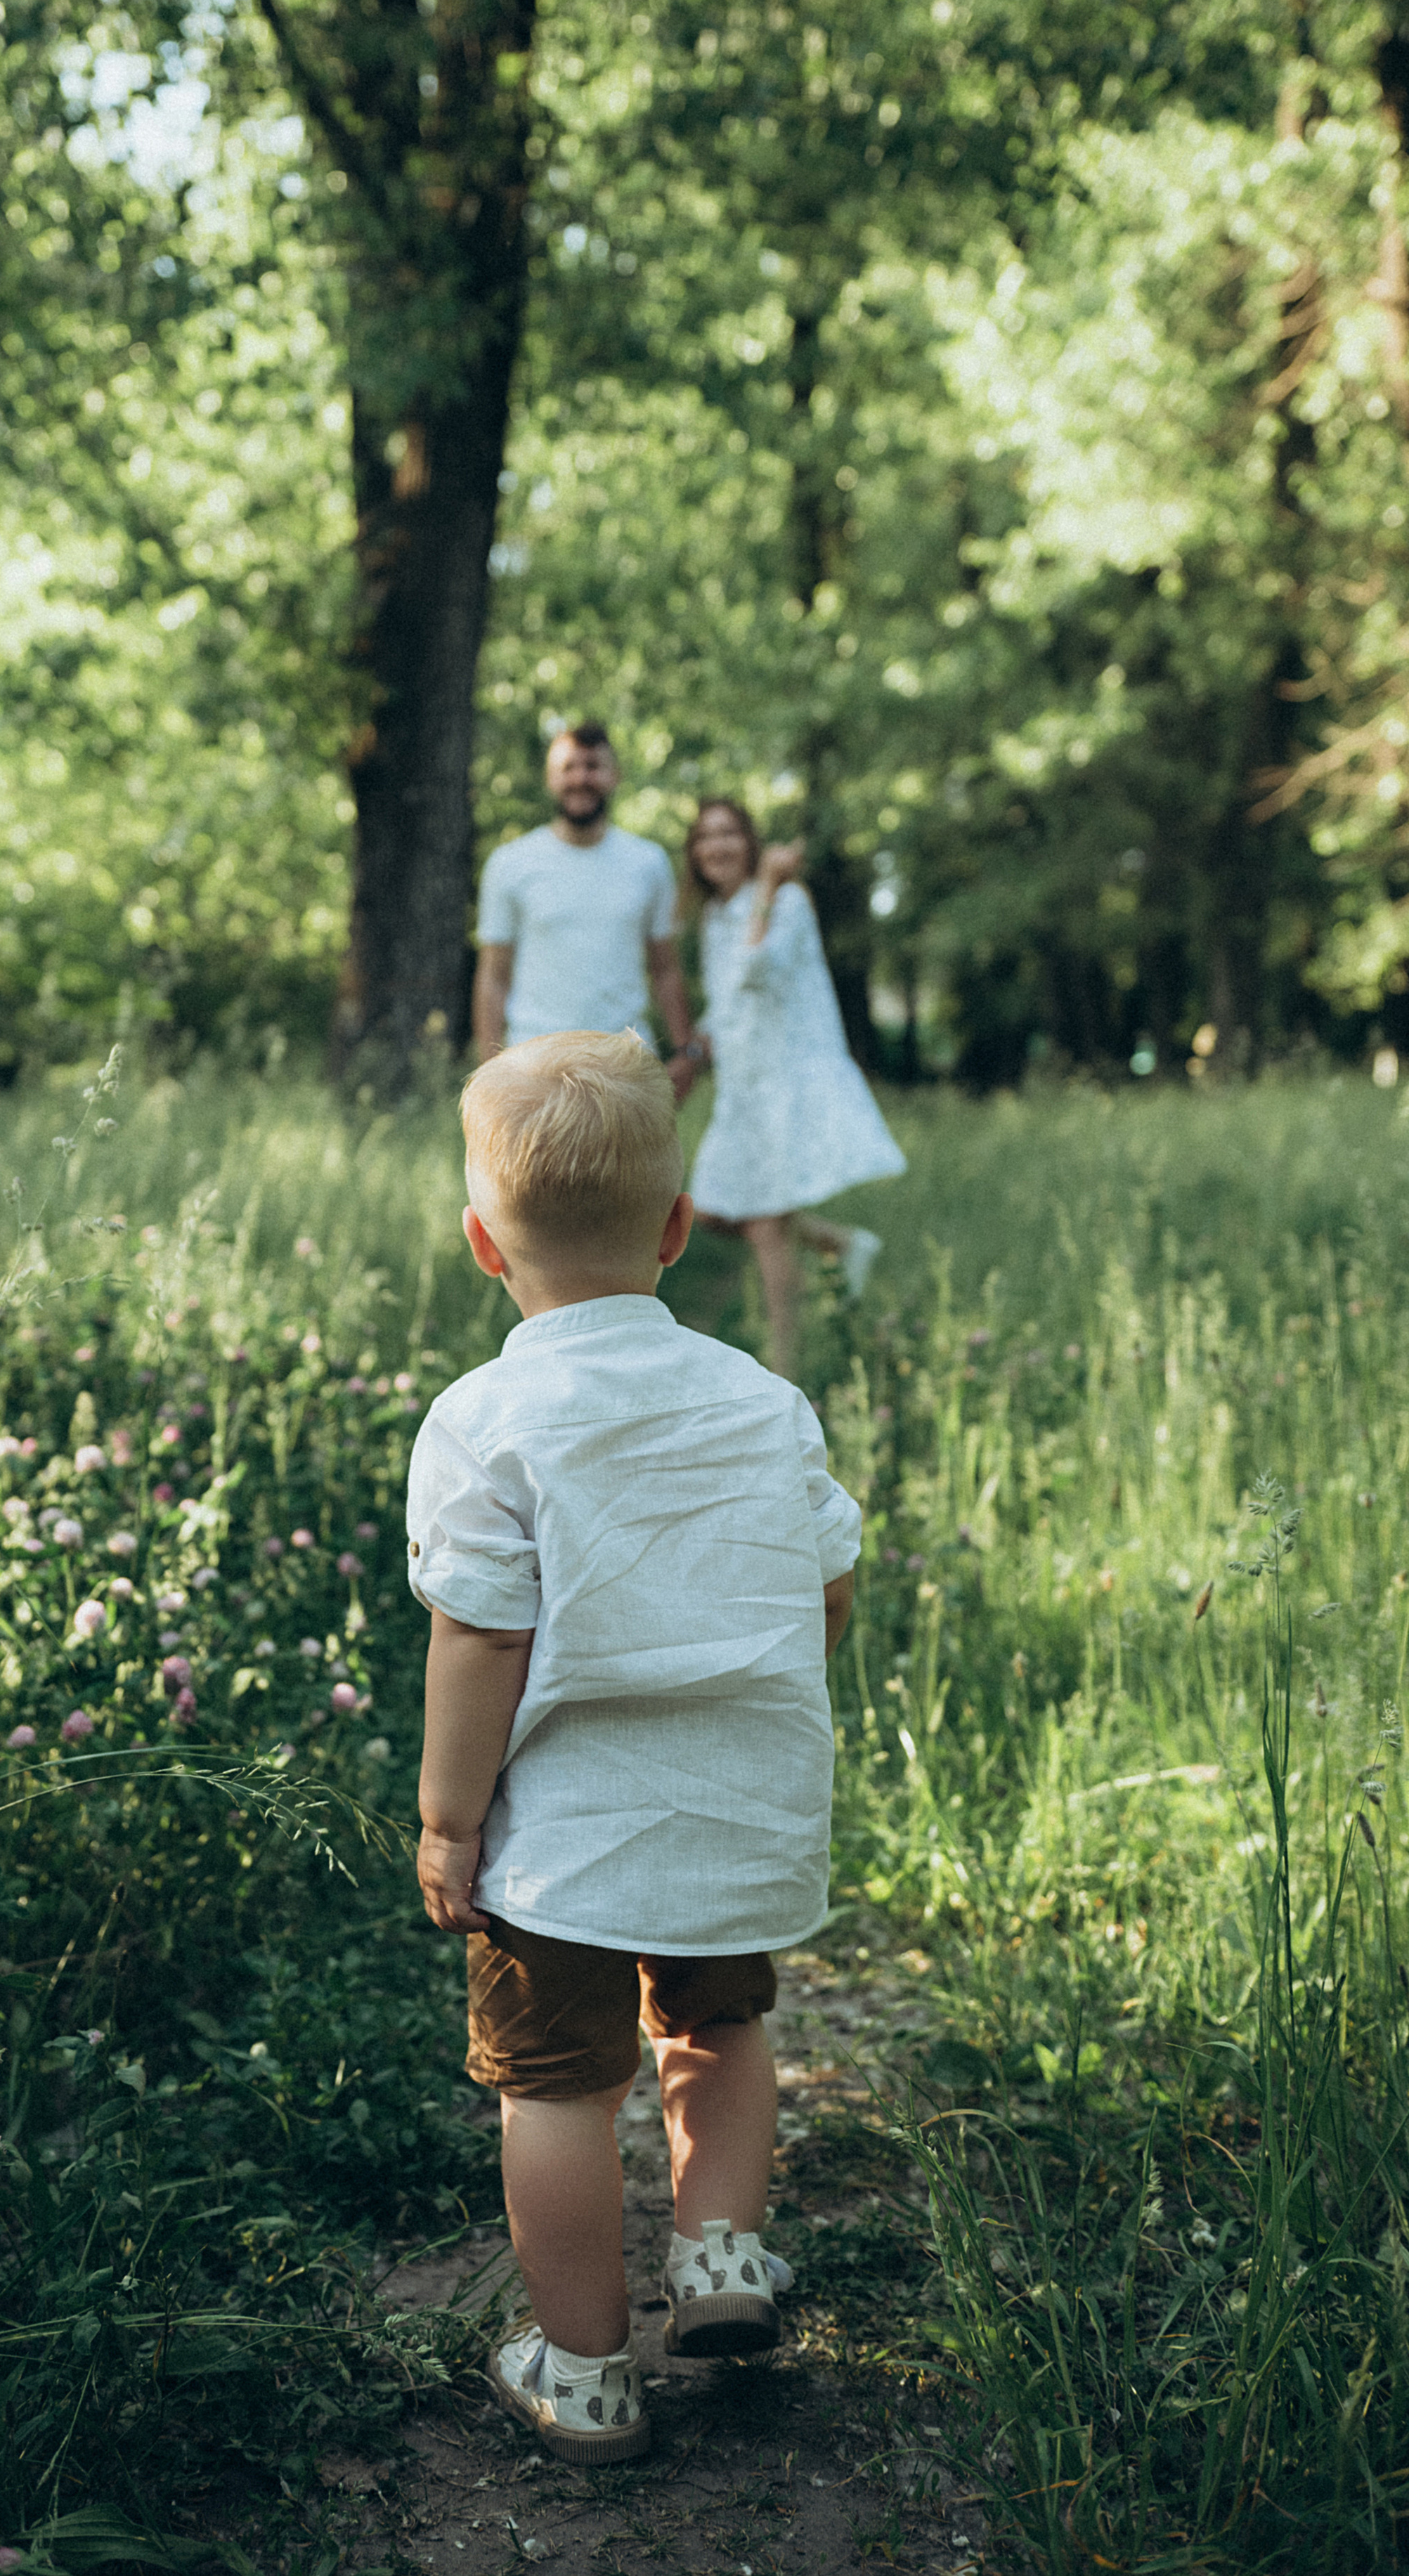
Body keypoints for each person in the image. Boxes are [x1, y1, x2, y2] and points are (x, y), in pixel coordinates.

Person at [406, 1030, 859, 2464]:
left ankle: (586, 2367)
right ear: (677, 1227)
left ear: (482, 1244)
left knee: (555, 2086)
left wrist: (444, 1820)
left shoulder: (484, 1419)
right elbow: (826, 1588)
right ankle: (720, 2251)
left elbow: (480, 1639)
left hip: (564, 1846)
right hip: (733, 1807)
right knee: (718, 2029)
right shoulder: (758, 1401)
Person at [686, 799, 906, 1373]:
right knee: (710, 1210)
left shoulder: (786, 902)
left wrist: (768, 884)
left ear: (751, 842)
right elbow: (729, 999)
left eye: (729, 834)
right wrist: (691, 1052)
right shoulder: (714, 916)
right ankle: (840, 1243)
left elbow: (758, 971)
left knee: (764, 1224)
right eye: (705, 837)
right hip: (742, 1087)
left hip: (786, 1083)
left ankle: (786, 1369)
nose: (717, 847)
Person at [472, 722, 704, 1094]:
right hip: (534, 1066)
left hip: (624, 1066)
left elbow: (665, 968)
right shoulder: (510, 864)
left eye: (594, 766)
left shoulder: (649, 863)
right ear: (551, 779)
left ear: (614, 776)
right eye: (569, 767)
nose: (581, 778)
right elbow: (493, 977)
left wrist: (686, 1049)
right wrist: (489, 1072)